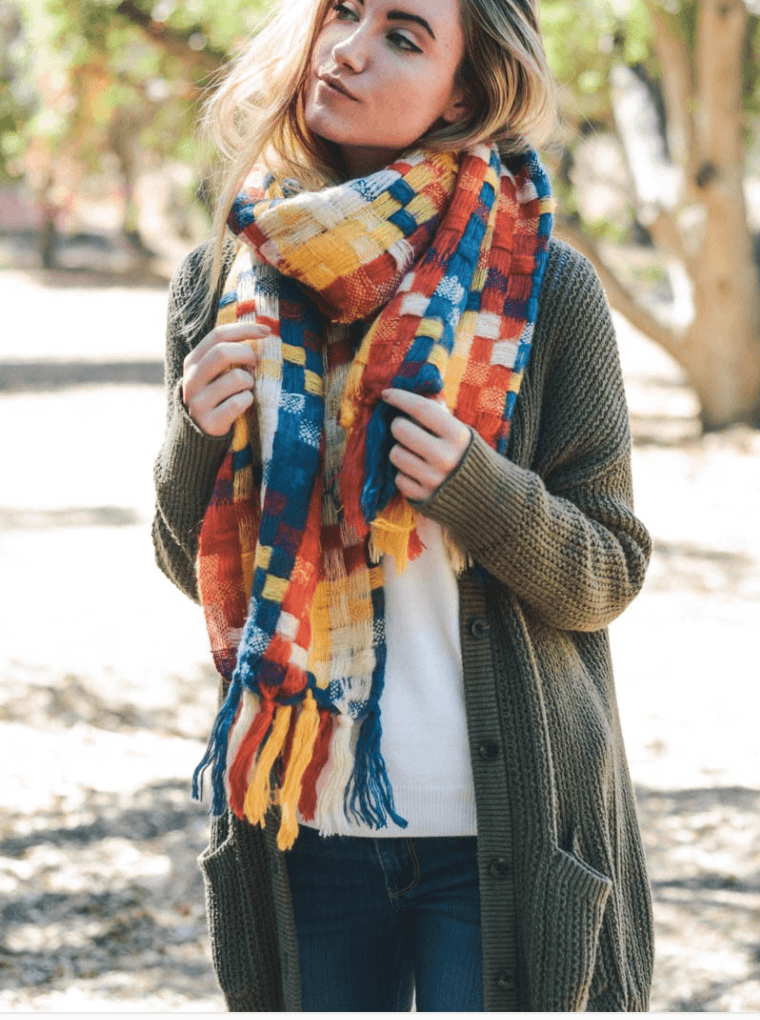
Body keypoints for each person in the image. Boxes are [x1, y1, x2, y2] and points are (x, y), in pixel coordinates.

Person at [152, 0, 655, 1010]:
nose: (347, 49)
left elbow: (607, 572)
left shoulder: (541, 290)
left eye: (403, 36)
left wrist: (478, 487)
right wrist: (193, 441)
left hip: (500, 831)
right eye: (344, 12)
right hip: (304, 824)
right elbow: (188, 564)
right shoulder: (221, 282)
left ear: (463, 92)